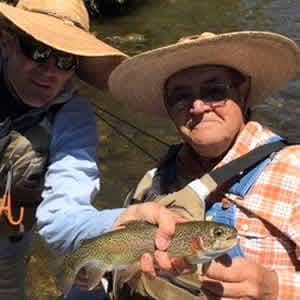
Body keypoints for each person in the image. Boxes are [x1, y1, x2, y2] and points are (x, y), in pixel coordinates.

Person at [0, 0, 184, 299]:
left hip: (7, 250)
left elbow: (62, 216)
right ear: (7, 43)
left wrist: (117, 222)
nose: (50, 70)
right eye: (39, 51)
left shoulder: (72, 116)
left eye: (64, 60)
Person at [108, 31, 300, 299]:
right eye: (181, 96)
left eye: (214, 91)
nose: (197, 107)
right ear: (168, 106)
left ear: (242, 92)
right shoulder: (155, 179)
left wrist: (276, 289)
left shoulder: (294, 168)